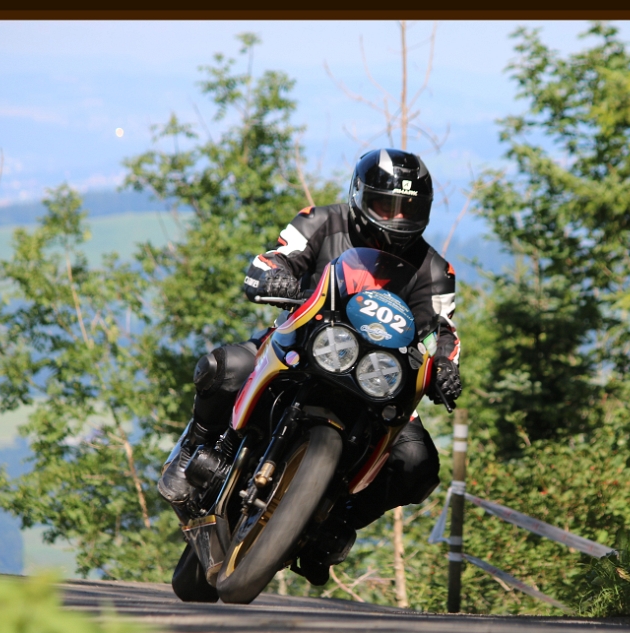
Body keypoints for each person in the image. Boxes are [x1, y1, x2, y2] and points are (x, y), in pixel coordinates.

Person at [158, 148, 463, 585]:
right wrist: (273, 275)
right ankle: (195, 446)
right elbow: (275, 257)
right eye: (385, 206)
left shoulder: (435, 269)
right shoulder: (321, 220)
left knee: (418, 464)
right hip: (301, 345)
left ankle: (337, 520)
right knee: (225, 367)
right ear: (361, 197)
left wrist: (445, 365)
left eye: (408, 209)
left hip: (375, 378)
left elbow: (441, 330)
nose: (397, 218)